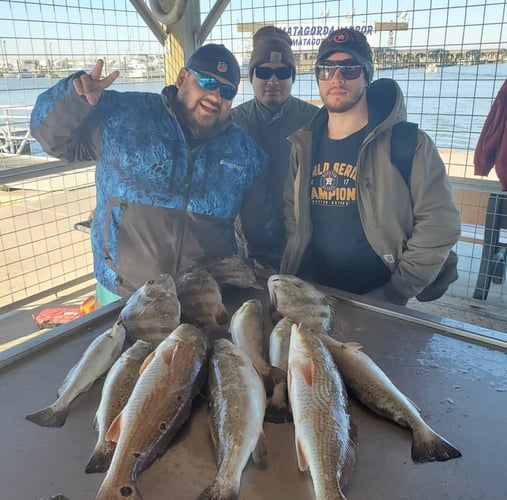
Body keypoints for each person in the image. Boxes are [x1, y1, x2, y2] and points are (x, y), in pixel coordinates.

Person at [30, 44, 267, 305]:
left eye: (227, 90)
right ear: (182, 78)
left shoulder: (245, 152)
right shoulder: (124, 115)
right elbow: (51, 139)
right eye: (207, 81)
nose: (215, 95)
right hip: (122, 293)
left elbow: (262, 230)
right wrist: (74, 99)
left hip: (202, 299)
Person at [280, 28, 461, 306]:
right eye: (326, 68)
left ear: (367, 75)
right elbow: (293, 217)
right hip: (315, 292)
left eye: (350, 68)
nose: (337, 77)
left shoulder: (410, 144)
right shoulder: (301, 145)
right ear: (317, 76)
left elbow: (440, 223)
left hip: (377, 297)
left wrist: (396, 292)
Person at [231, 26, 318, 270]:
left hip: (300, 245)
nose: (273, 80)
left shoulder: (316, 121)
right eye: (263, 72)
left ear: (292, 77)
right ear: (252, 77)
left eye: (282, 72)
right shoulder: (231, 122)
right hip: (245, 245)